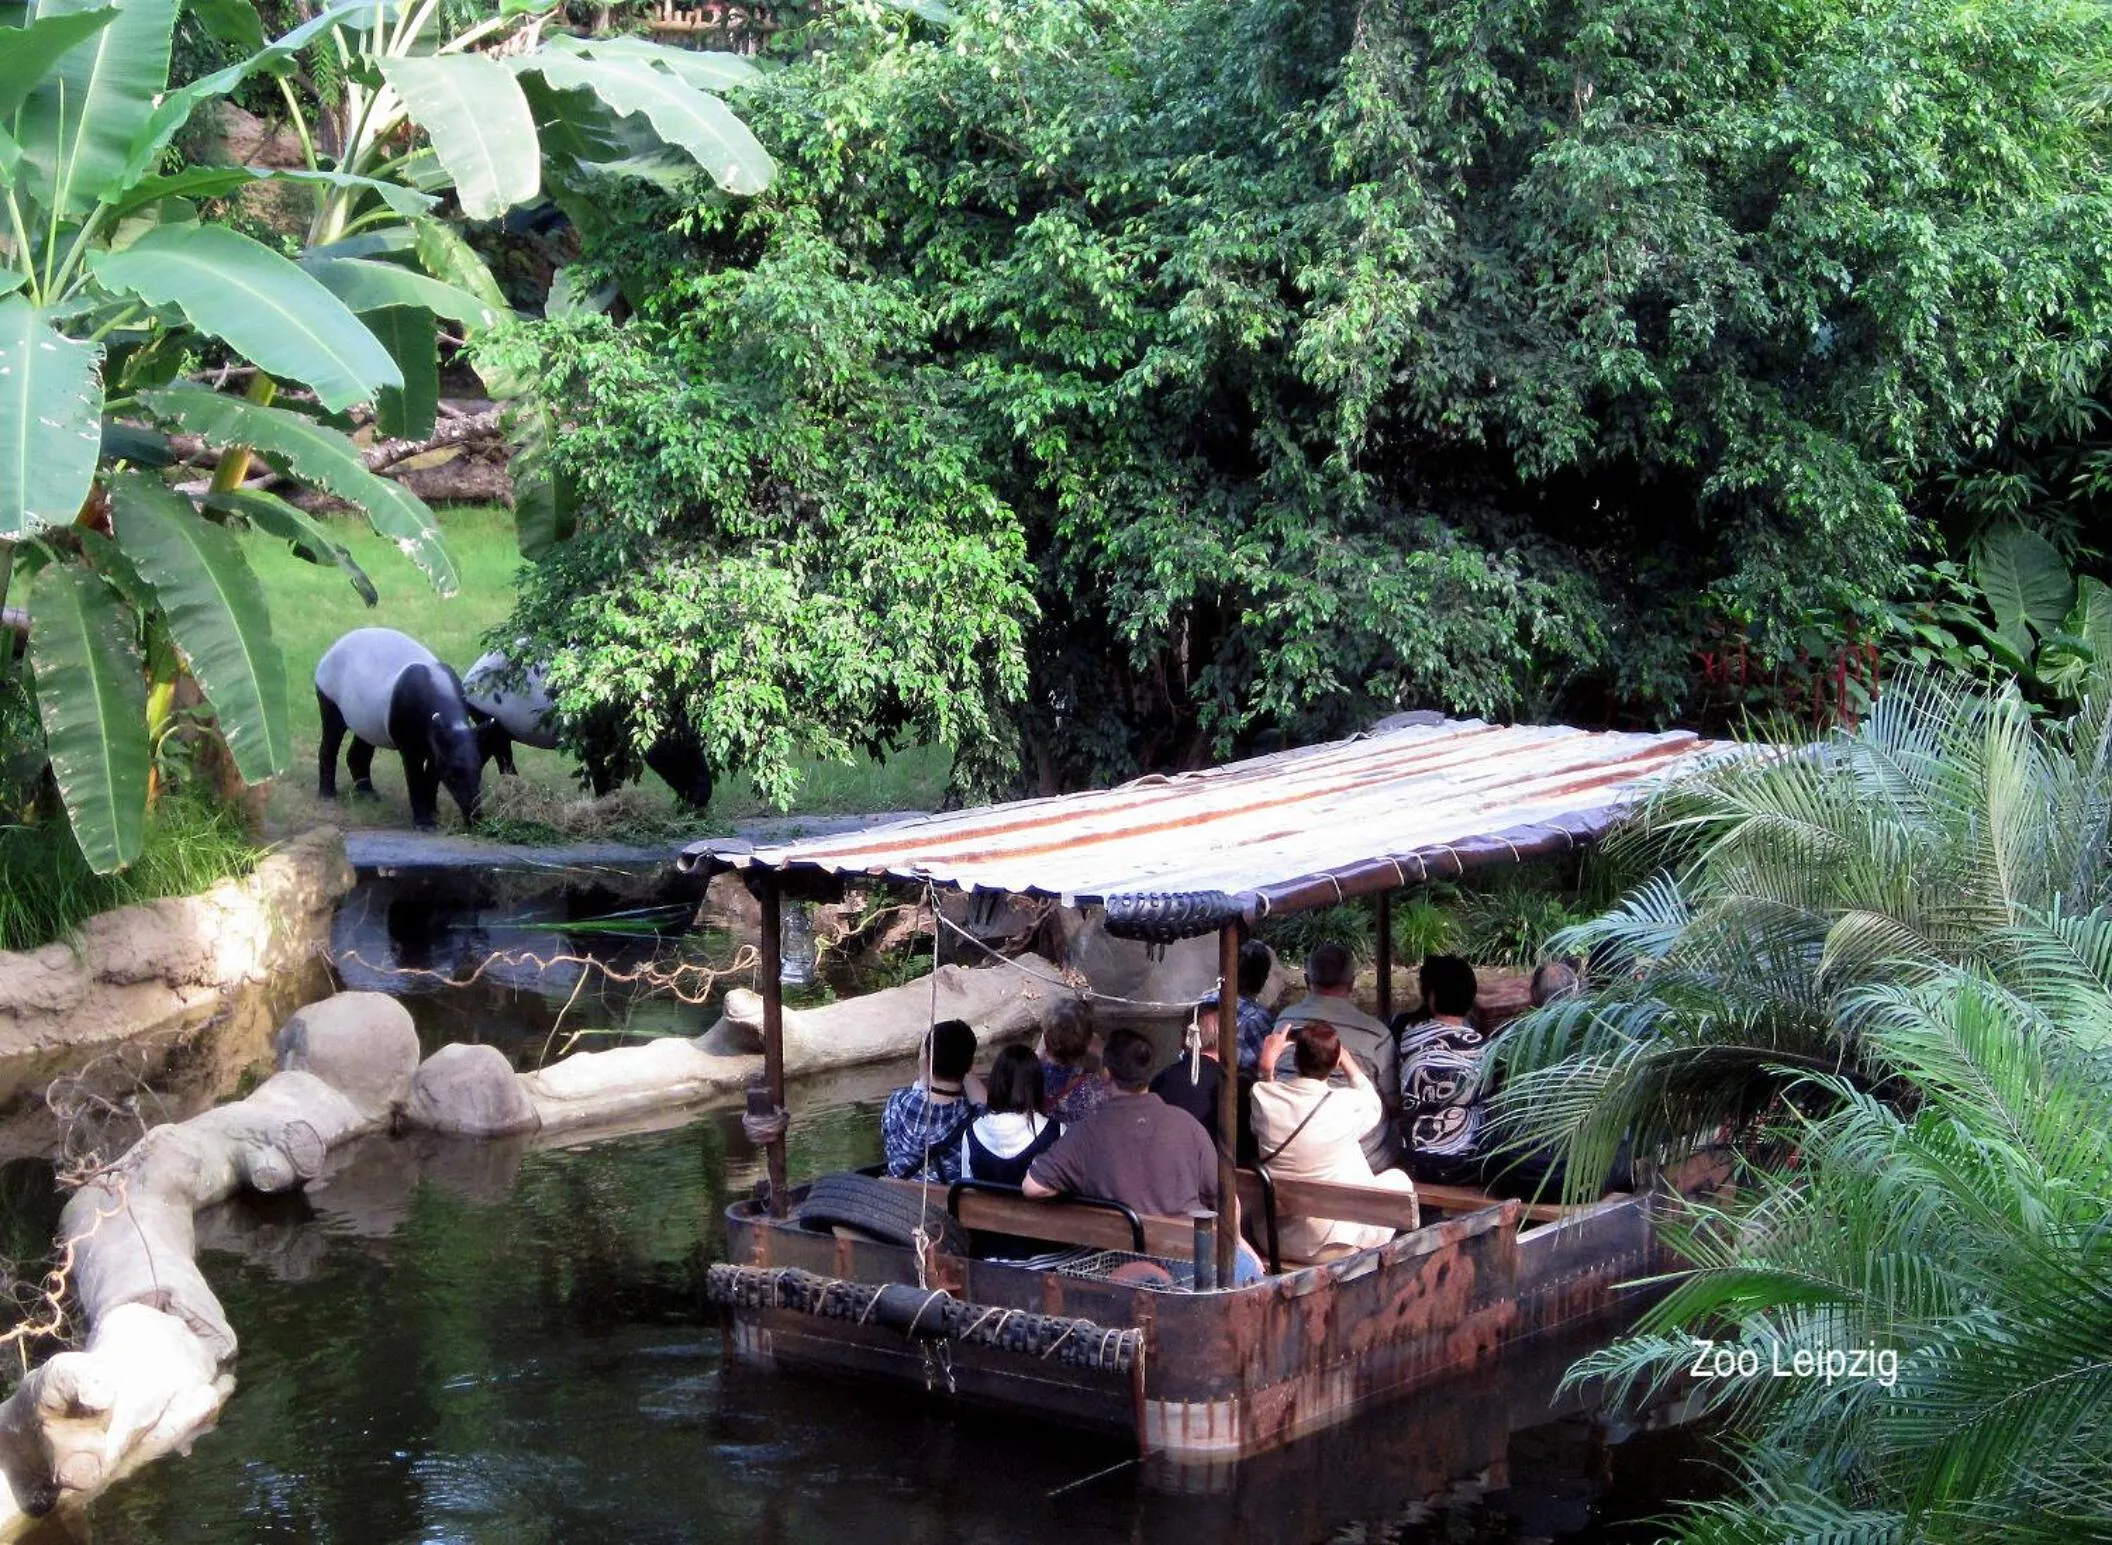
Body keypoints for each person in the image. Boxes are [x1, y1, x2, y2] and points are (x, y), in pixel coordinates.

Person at [1250, 1022, 1418, 1262]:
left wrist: (1266, 1069)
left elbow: (1263, 1093)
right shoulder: (1347, 1104)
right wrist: (1349, 1063)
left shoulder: (1263, 1097)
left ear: (1295, 1060)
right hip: (1333, 1245)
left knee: (1345, 1152)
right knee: (1398, 1179)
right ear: (1335, 1060)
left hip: (1273, 1238)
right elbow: (1373, 1105)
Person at [1271, 941, 1401, 1170]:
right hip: (1356, 1156)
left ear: (1306, 980)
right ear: (1351, 983)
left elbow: (1267, 1077)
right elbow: (1393, 1103)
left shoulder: (1284, 1022)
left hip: (1290, 1147)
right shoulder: (1376, 1034)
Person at [1397, 955, 1492, 1183]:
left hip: (1416, 1160)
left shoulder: (1407, 1038)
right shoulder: (1485, 1048)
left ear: (1431, 996)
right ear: (1471, 997)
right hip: (1467, 1164)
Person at [881, 1019, 982, 1182]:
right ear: (970, 1064)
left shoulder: (897, 1102)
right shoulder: (975, 1120)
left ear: (927, 1060)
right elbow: (985, 1105)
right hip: (944, 1204)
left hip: (898, 1200)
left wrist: (925, 1071)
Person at [962, 1045, 1062, 1185]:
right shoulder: (1057, 1132)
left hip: (985, 1207)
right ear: (1036, 1084)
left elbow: (967, 1188)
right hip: (1034, 1207)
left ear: (996, 1082)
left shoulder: (972, 1132)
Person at [1196, 938, 1277, 1075]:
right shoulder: (1257, 1018)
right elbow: (1268, 1068)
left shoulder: (1202, 1001)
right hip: (1234, 1089)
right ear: (1262, 978)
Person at [1038, 999, 1108, 1127]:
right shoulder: (1092, 1086)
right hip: (1078, 1132)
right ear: (1088, 1043)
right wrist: (1103, 1051)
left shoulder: (1033, 1076)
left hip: (1047, 1126)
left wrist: (1039, 1054)